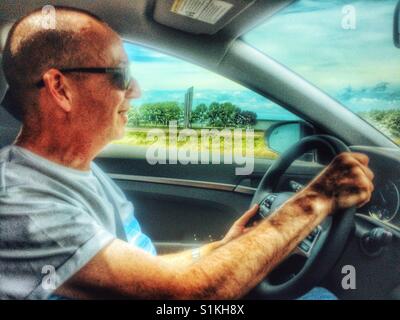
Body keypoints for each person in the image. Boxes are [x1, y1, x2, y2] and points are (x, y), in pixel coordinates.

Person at [0, 6, 374, 300]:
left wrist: (220, 250)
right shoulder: (22, 204)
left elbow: (141, 269)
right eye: (120, 75)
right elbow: (186, 294)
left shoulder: (75, 170)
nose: (137, 91)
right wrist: (316, 200)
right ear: (60, 88)